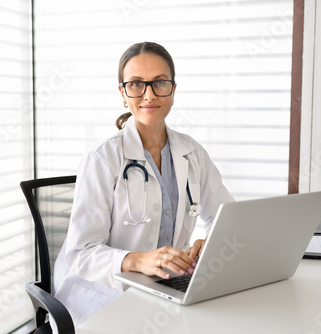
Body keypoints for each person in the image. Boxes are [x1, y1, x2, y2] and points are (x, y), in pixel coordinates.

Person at [53, 41, 234, 325]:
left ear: (173, 90)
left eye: (160, 83)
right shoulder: (102, 158)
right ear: (123, 93)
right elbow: (81, 252)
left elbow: (227, 217)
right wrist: (138, 260)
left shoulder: (192, 153)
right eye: (136, 84)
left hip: (164, 287)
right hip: (102, 295)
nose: (149, 94)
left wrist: (209, 242)